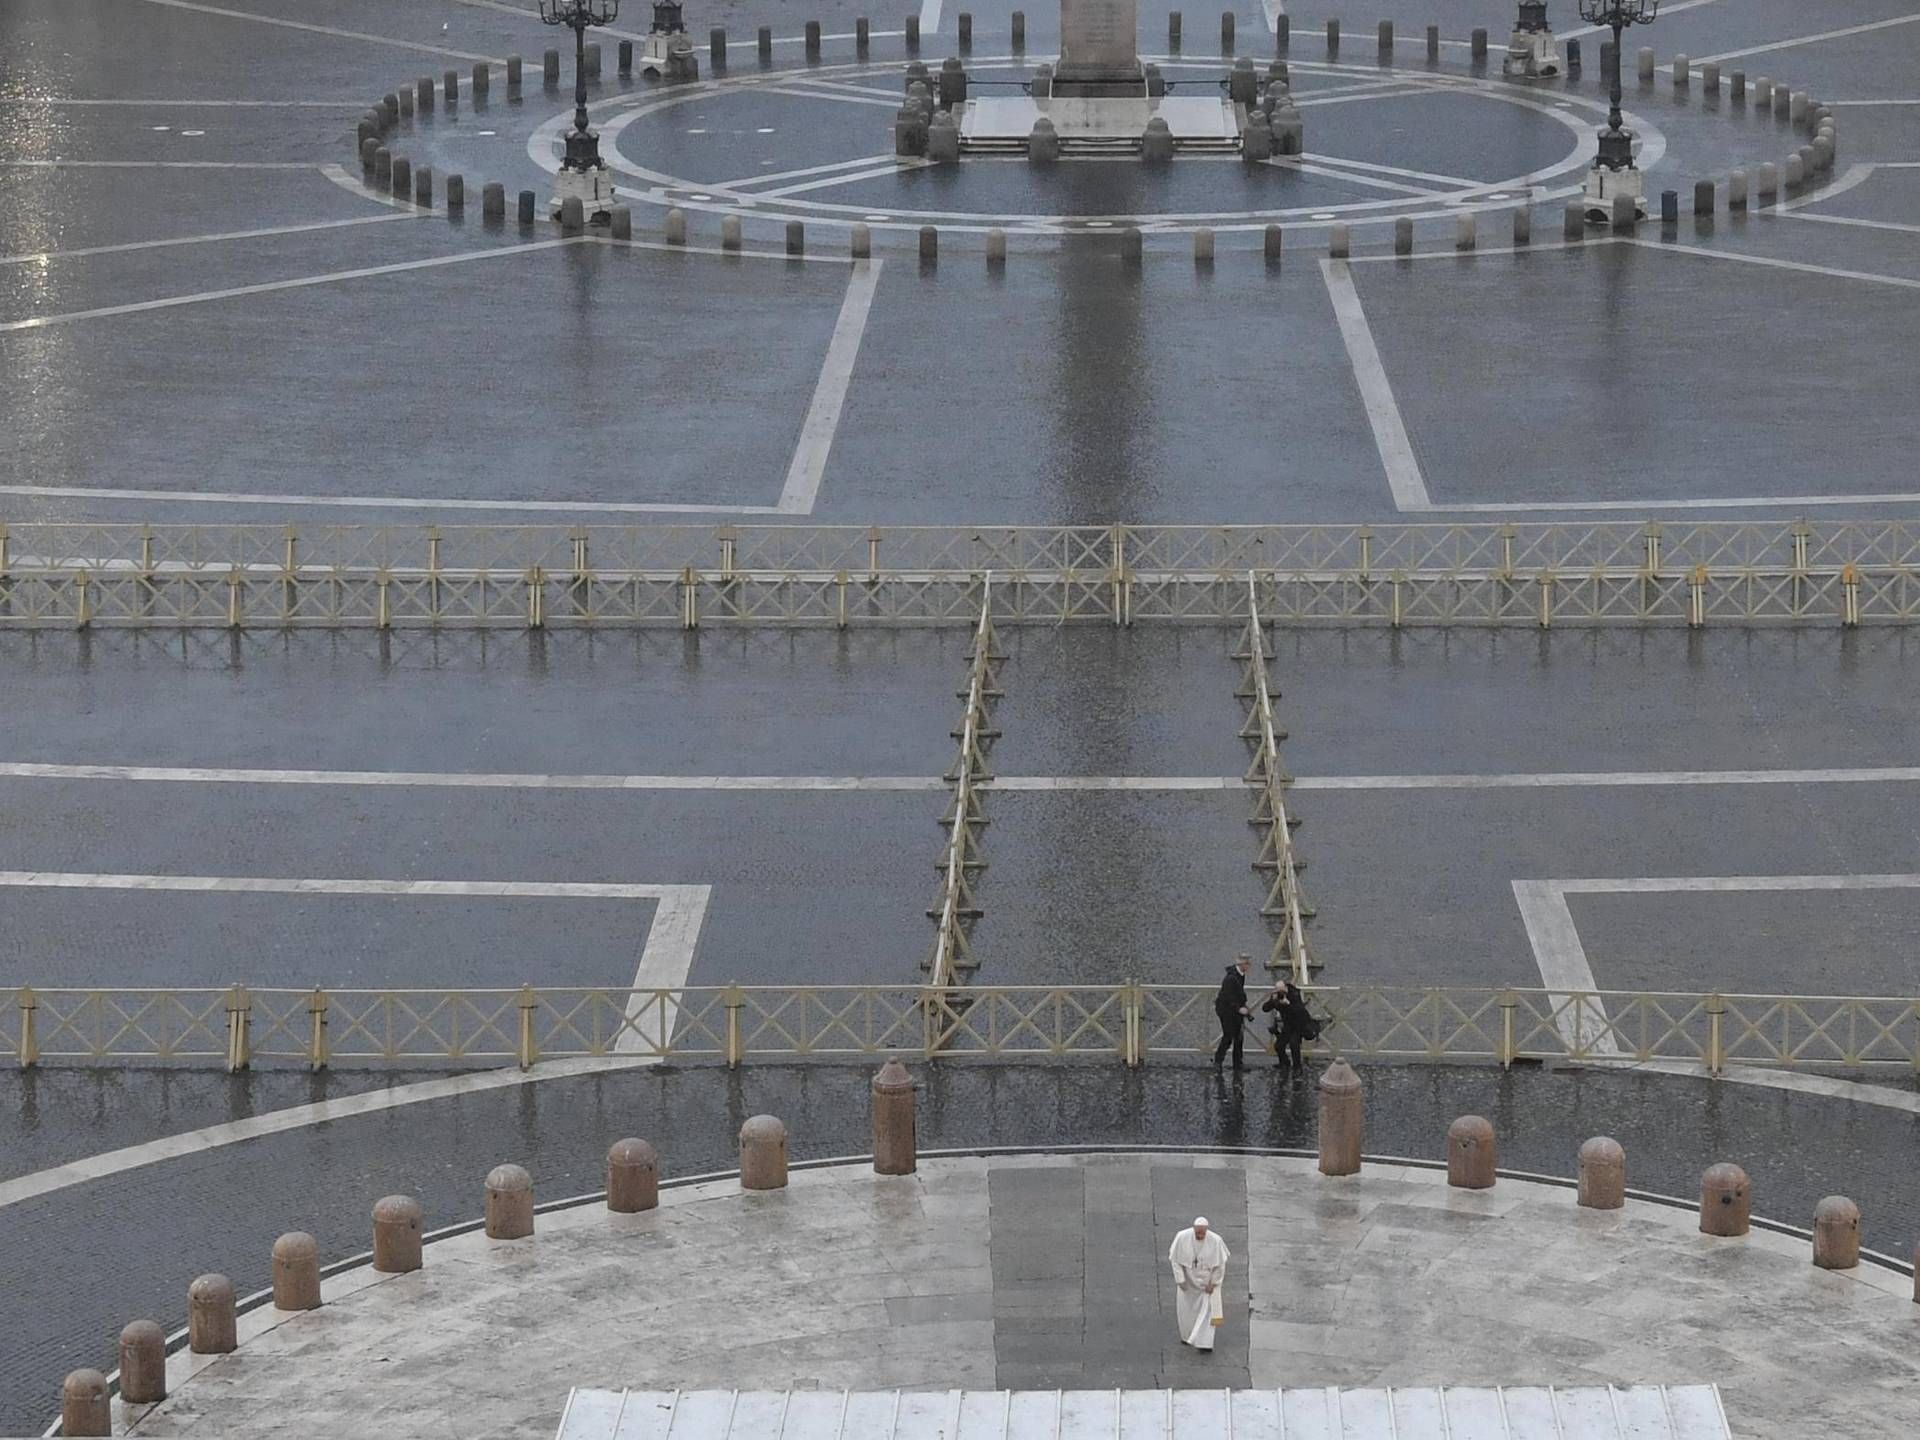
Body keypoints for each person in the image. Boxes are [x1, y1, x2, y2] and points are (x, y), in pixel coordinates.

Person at [1168, 1216, 1230, 1351]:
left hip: (1206, 1285)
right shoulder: (1182, 1237)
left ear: (1207, 1230)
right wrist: (1180, 1280)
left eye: (1203, 1233)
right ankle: (1187, 1336)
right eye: (1198, 1233)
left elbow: (1220, 1266)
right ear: (1193, 1229)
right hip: (1188, 1283)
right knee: (1187, 1311)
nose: (1200, 1235)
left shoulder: (1216, 1241)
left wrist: (1213, 1283)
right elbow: (1175, 1261)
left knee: (1207, 1313)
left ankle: (1205, 1343)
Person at [1261, 977, 1316, 1069]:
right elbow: (1265, 1008)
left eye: (1282, 991)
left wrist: (1288, 1004)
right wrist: (1273, 1001)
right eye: (1279, 991)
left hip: (1299, 1024)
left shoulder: (1294, 994)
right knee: (1279, 1045)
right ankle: (1285, 1063)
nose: (1281, 993)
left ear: (1285, 987)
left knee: (1294, 1044)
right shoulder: (1277, 995)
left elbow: (1300, 1010)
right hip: (1287, 1025)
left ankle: (1297, 1068)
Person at [1212, 954, 1252, 1068]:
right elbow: (1228, 996)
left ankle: (1237, 1063)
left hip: (1234, 1009)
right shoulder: (1230, 978)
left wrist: (1242, 1006)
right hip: (1226, 1010)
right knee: (1228, 1036)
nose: (1249, 966)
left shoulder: (1240, 974)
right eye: (1247, 963)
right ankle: (1218, 1061)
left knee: (1239, 1036)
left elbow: (1237, 994)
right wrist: (1239, 1008)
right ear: (1242, 964)